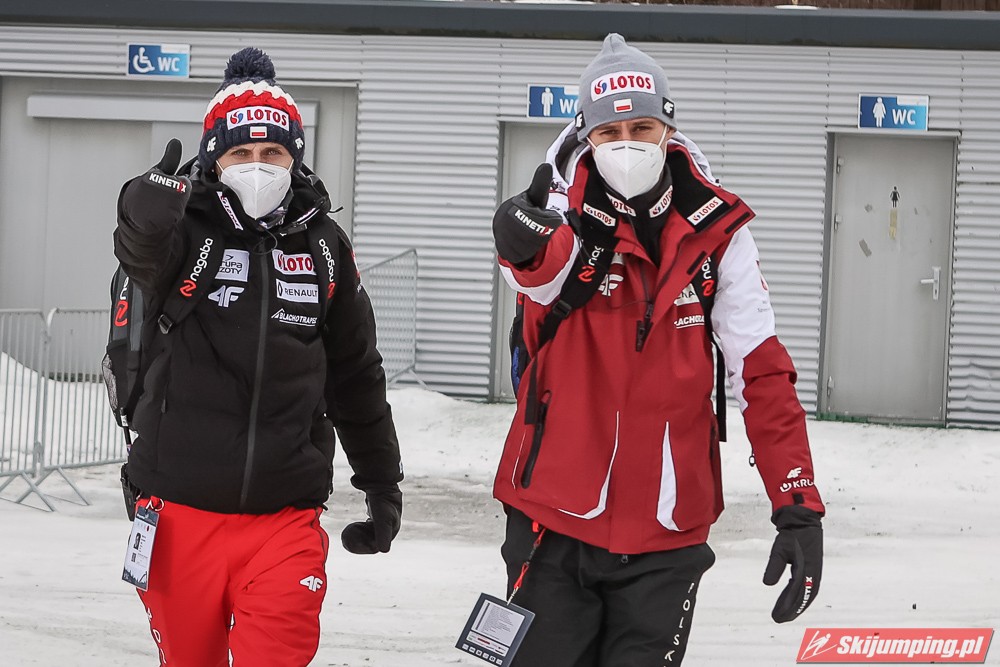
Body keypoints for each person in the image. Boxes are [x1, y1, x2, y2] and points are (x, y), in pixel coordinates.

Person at [491, 34, 825, 666]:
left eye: (641, 128)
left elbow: (762, 371)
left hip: (669, 530)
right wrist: (517, 241)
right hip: (552, 523)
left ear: (668, 129)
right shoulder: (560, 213)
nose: (627, 144)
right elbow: (536, 272)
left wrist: (797, 505)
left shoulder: (718, 233)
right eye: (609, 132)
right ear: (586, 135)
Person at [115, 47, 403, 666]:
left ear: (294, 157)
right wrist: (141, 214)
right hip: (178, 510)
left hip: (285, 516)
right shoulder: (183, 229)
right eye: (240, 153)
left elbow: (355, 370)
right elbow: (140, 254)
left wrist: (381, 482)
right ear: (213, 159)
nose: (257, 165)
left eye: (272, 152)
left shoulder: (324, 243)